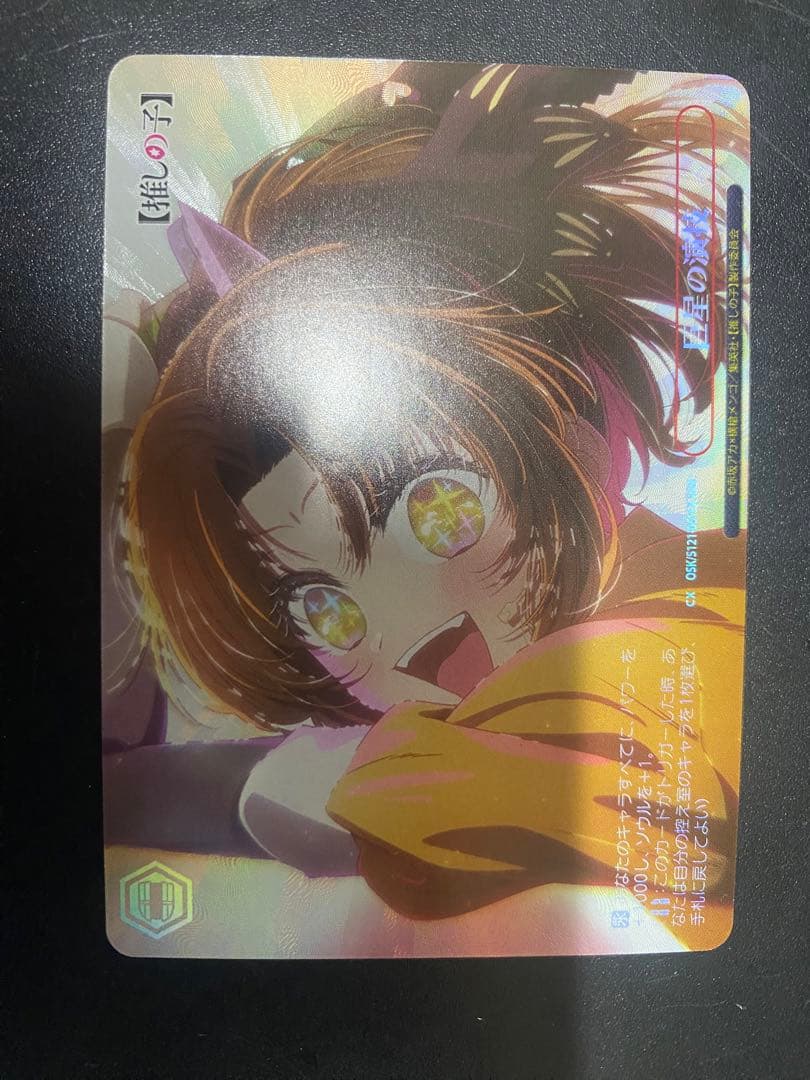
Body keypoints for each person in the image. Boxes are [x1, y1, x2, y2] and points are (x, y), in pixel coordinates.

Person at [103, 62, 747, 947]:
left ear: (560, 416)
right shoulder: (437, 735)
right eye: (321, 609)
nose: (410, 632)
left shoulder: (664, 640)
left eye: (439, 509)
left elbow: (419, 804)